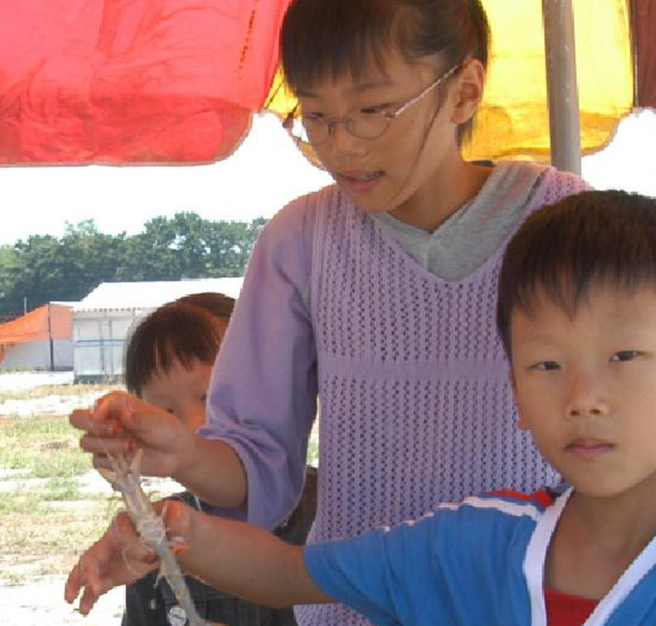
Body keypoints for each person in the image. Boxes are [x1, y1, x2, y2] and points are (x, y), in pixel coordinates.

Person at [66, 190, 656, 626]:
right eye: (546, 366)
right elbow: (295, 574)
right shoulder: (489, 535)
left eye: (623, 357)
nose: (584, 398)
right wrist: (169, 526)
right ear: (514, 395)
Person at [70, 1, 590, 624]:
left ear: (463, 91)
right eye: (315, 116)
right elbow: (258, 467)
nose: (341, 145)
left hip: (532, 605)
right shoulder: (302, 242)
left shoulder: (565, 224)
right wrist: (183, 451)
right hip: (352, 608)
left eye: (372, 111)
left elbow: (629, 440)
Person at [114, 293, 318, 626]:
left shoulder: (334, 515)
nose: (195, 426)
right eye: (166, 413)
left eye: (211, 396)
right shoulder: (153, 534)